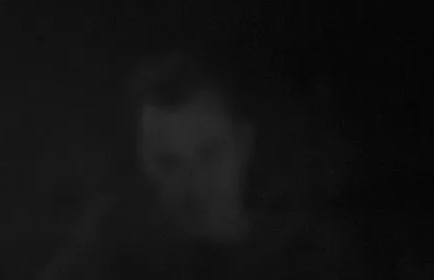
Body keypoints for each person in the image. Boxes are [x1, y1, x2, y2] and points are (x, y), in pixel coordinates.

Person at [41, 51, 366, 279]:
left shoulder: (310, 253)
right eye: (168, 163)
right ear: (144, 164)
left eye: (210, 154)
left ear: (242, 144)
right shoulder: (108, 245)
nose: (194, 181)